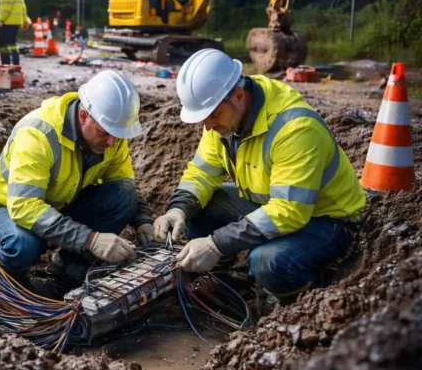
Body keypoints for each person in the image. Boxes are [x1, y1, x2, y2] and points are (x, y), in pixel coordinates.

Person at [154, 49, 366, 306]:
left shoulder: (295, 128)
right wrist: (178, 209)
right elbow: (202, 172)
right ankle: (227, 285)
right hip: (269, 202)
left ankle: (299, 298)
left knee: (266, 261)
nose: (207, 126)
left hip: (325, 220)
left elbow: (289, 210)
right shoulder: (223, 116)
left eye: (212, 116)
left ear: (239, 96)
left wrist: (216, 244)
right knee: (196, 211)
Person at [0, 70, 159, 298]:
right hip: (7, 207)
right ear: (83, 117)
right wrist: (90, 240)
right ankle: (5, 280)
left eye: (117, 135)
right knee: (22, 245)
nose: (112, 142)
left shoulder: (111, 136)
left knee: (125, 195)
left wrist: (143, 221)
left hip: (60, 203)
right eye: (106, 133)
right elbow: (24, 207)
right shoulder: (37, 135)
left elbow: (123, 183)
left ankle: (65, 272)